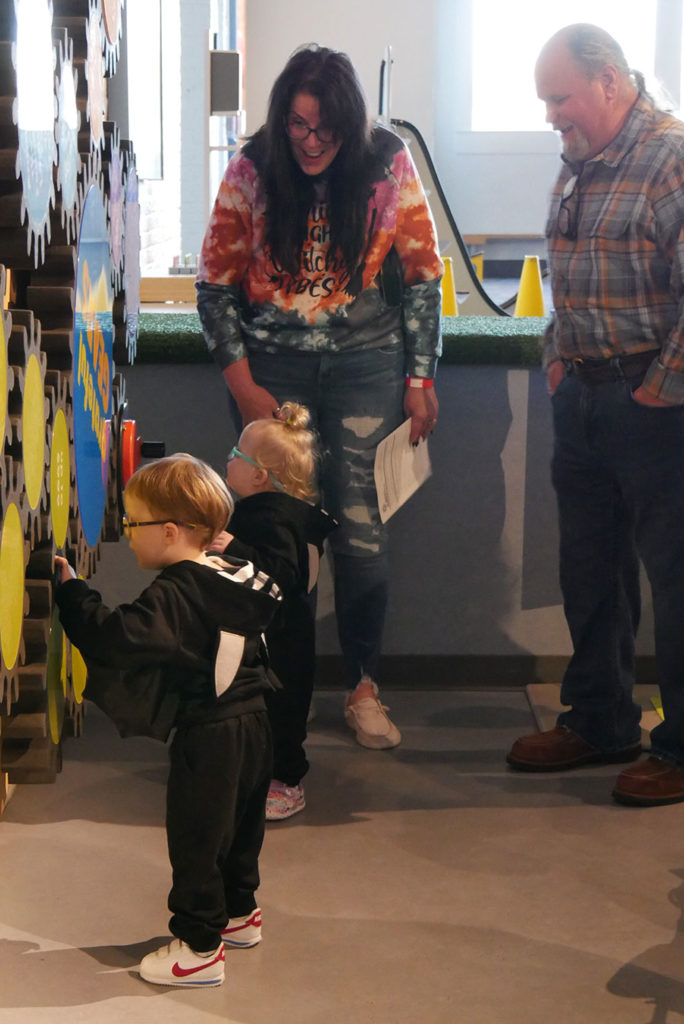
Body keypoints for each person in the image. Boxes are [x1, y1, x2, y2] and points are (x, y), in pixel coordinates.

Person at [196, 44, 443, 751]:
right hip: (271, 368)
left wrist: (420, 376)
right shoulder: (250, 166)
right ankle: (283, 693)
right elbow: (213, 286)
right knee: (278, 537)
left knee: (361, 535)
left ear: (350, 124)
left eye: (326, 129)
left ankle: (363, 686)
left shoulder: (388, 161)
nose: (311, 142)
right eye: (299, 126)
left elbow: (423, 277)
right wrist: (243, 387)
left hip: (368, 363)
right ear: (283, 120)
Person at [506, 23, 684, 806]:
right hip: (586, 401)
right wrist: (557, 358)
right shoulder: (577, 164)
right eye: (545, 101)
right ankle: (600, 719)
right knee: (589, 575)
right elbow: (565, 276)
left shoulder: (680, 156)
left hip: (664, 407)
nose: (550, 116)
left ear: (607, 80)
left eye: (559, 98)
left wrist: (657, 388)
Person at [54, 454, 281, 987]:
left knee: (197, 836)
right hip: (256, 721)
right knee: (243, 826)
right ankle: (238, 914)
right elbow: (275, 597)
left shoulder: (179, 589)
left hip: (211, 731)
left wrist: (72, 594)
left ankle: (199, 948)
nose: (129, 536)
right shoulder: (234, 570)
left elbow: (121, 638)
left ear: (172, 530)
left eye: (133, 525)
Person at [209, 401, 337, 820]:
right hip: (270, 636)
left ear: (260, 476)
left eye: (237, 453)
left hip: (282, 642)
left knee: (281, 711)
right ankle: (259, 770)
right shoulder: (267, 513)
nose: (229, 457)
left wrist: (235, 549)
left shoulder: (272, 518)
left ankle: (286, 780)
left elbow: (282, 576)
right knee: (258, 707)